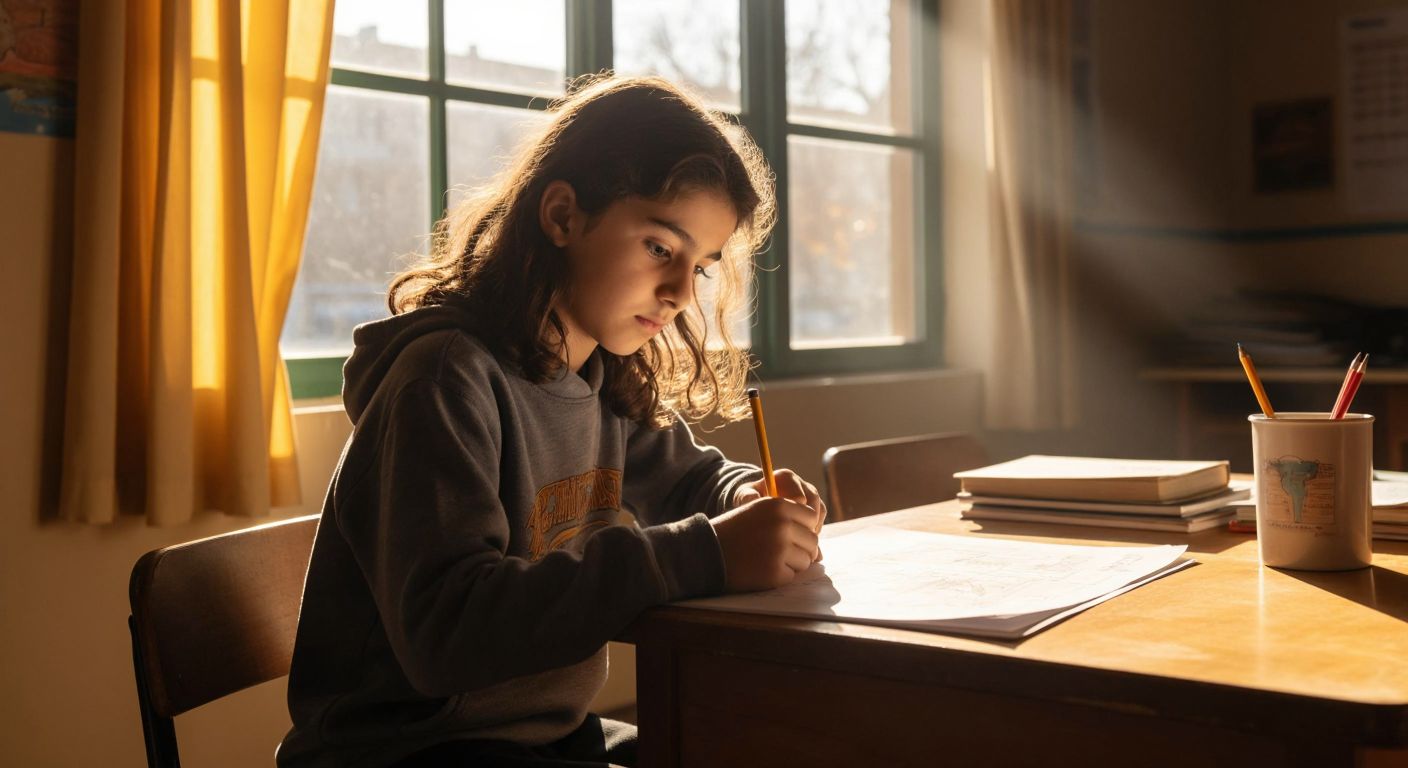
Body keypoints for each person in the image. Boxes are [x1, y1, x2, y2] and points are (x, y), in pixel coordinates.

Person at [277, 74, 828, 768]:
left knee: (754, 745)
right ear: (564, 216)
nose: (682, 291)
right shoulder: (444, 380)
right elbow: (448, 632)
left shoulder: (600, 378)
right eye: (661, 247)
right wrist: (705, 553)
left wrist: (746, 496)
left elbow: (693, 482)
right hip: (407, 754)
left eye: (703, 266)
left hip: (542, 738)